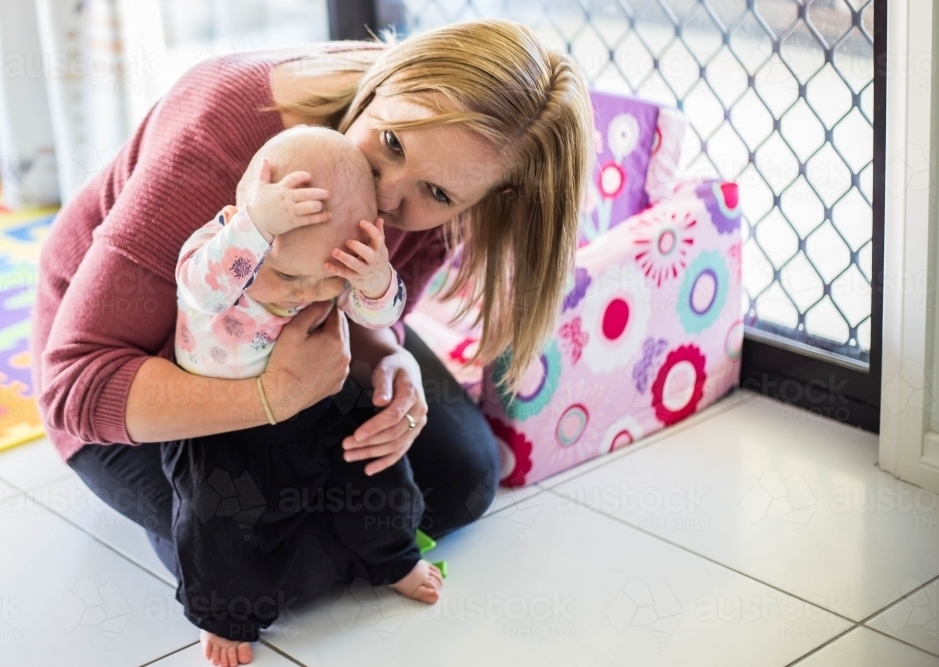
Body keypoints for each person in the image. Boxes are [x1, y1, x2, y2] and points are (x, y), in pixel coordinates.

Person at [32, 18, 592, 667]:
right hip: (142, 367)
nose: (383, 198)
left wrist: (392, 359)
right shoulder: (221, 129)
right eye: (389, 143)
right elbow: (76, 385)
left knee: (464, 477)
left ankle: (317, 526)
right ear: (386, 79)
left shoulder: (466, 173)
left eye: (434, 194)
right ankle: (244, 545)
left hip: (298, 350)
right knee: (255, 563)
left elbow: (371, 308)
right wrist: (271, 397)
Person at [164, 126, 442, 644]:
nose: (311, 293)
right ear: (240, 229)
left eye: (328, 278)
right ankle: (224, 619)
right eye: (292, 280)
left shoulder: (323, 266)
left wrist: (373, 277)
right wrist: (256, 227)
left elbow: (372, 312)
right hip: (223, 426)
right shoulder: (219, 254)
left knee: (377, 473)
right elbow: (202, 292)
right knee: (215, 521)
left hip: (317, 403)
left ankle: (395, 556)